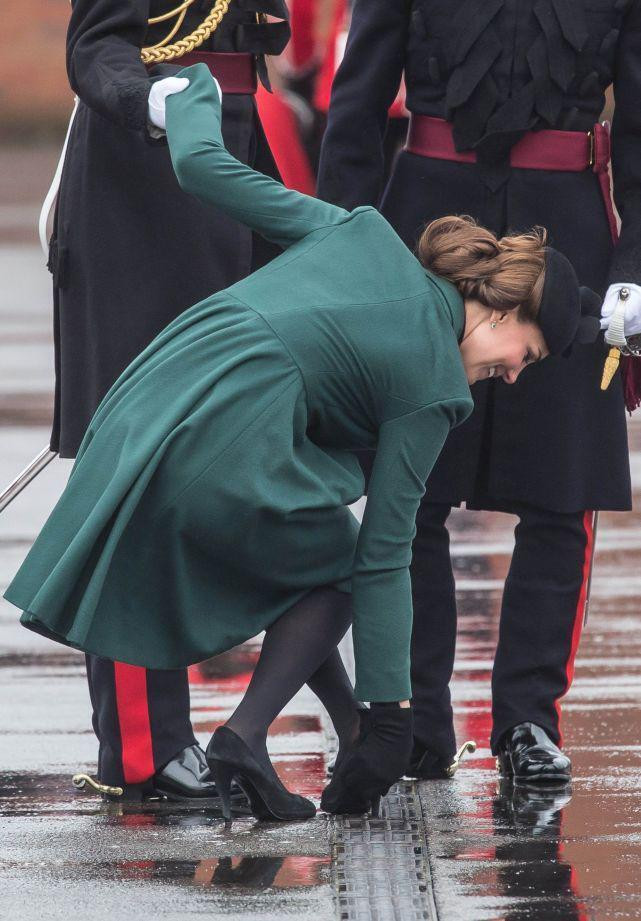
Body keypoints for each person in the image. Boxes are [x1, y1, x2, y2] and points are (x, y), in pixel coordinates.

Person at [5, 64, 600, 820]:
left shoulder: (360, 232)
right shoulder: (433, 384)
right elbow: (385, 553)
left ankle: (326, 731)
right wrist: (393, 715)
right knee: (341, 561)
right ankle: (246, 733)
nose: (513, 374)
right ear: (503, 310)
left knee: (310, 546)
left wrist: (191, 97)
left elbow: (205, 172)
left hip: (148, 401)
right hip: (225, 442)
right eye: (527, 354)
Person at [317, 0, 641, 783]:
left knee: (561, 494)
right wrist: (338, 242)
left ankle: (528, 718)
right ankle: (412, 716)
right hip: (426, 224)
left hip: (569, 226)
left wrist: (634, 263)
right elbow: (356, 107)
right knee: (411, 486)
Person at [51, 0, 290, 802]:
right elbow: (95, 45)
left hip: (241, 158)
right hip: (143, 183)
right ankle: (145, 744)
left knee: (230, 458)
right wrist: (144, 97)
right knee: (138, 471)